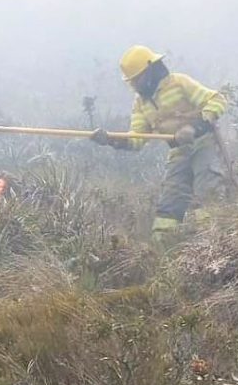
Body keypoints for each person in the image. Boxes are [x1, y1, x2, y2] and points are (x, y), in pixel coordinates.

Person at [92, 45, 228, 244]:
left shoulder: (179, 83)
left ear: (150, 71)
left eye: (137, 79)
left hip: (204, 144)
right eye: (132, 82)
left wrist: (196, 127)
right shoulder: (141, 103)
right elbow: (137, 139)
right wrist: (111, 140)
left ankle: (214, 243)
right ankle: (163, 250)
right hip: (178, 153)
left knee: (208, 193)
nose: (135, 85)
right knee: (169, 206)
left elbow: (217, 100)